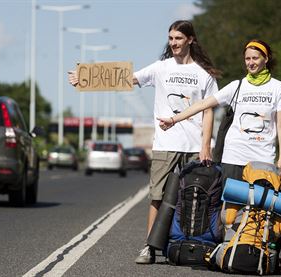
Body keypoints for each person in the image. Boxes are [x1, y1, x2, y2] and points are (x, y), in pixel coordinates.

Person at [68, 20, 220, 264]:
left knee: (194, 196)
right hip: (165, 143)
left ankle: (191, 244)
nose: (173, 43)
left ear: (190, 40)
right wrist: (85, 77)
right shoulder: (161, 68)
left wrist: (205, 145)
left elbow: (209, 110)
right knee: (157, 196)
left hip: (194, 146)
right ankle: (150, 247)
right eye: (170, 38)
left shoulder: (204, 74)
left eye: (178, 39)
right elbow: (126, 79)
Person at [158, 39, 281, 184]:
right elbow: (203, 104)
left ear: (265, 59)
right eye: (247, 59)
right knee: (231, 206)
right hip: (234, 156)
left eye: (255, 58)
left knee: (260, 205)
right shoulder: (236, 86)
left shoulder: (279, 88)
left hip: (263, 157)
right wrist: (173, 119)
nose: (250, 62)